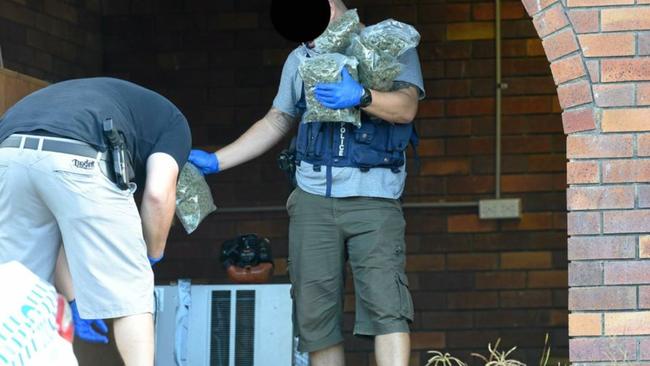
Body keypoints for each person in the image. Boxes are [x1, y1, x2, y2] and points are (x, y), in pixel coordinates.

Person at [189, 1, 425, 365]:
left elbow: (406, 107)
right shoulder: (299, 58)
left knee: (387, 307)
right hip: (313, 201)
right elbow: (277, 120)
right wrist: (218, 159)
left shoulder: (388, 42)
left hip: (374, 199)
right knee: (316, 318)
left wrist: (362, 96)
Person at [0, 77, 191, 366]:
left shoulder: (98, 99)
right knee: (132, 297)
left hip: (9, 154)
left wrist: (74, 298)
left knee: (19, 292)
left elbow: (67, 229)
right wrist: (150, 256)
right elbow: (157, 194)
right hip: (83, 154)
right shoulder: (175, 125)